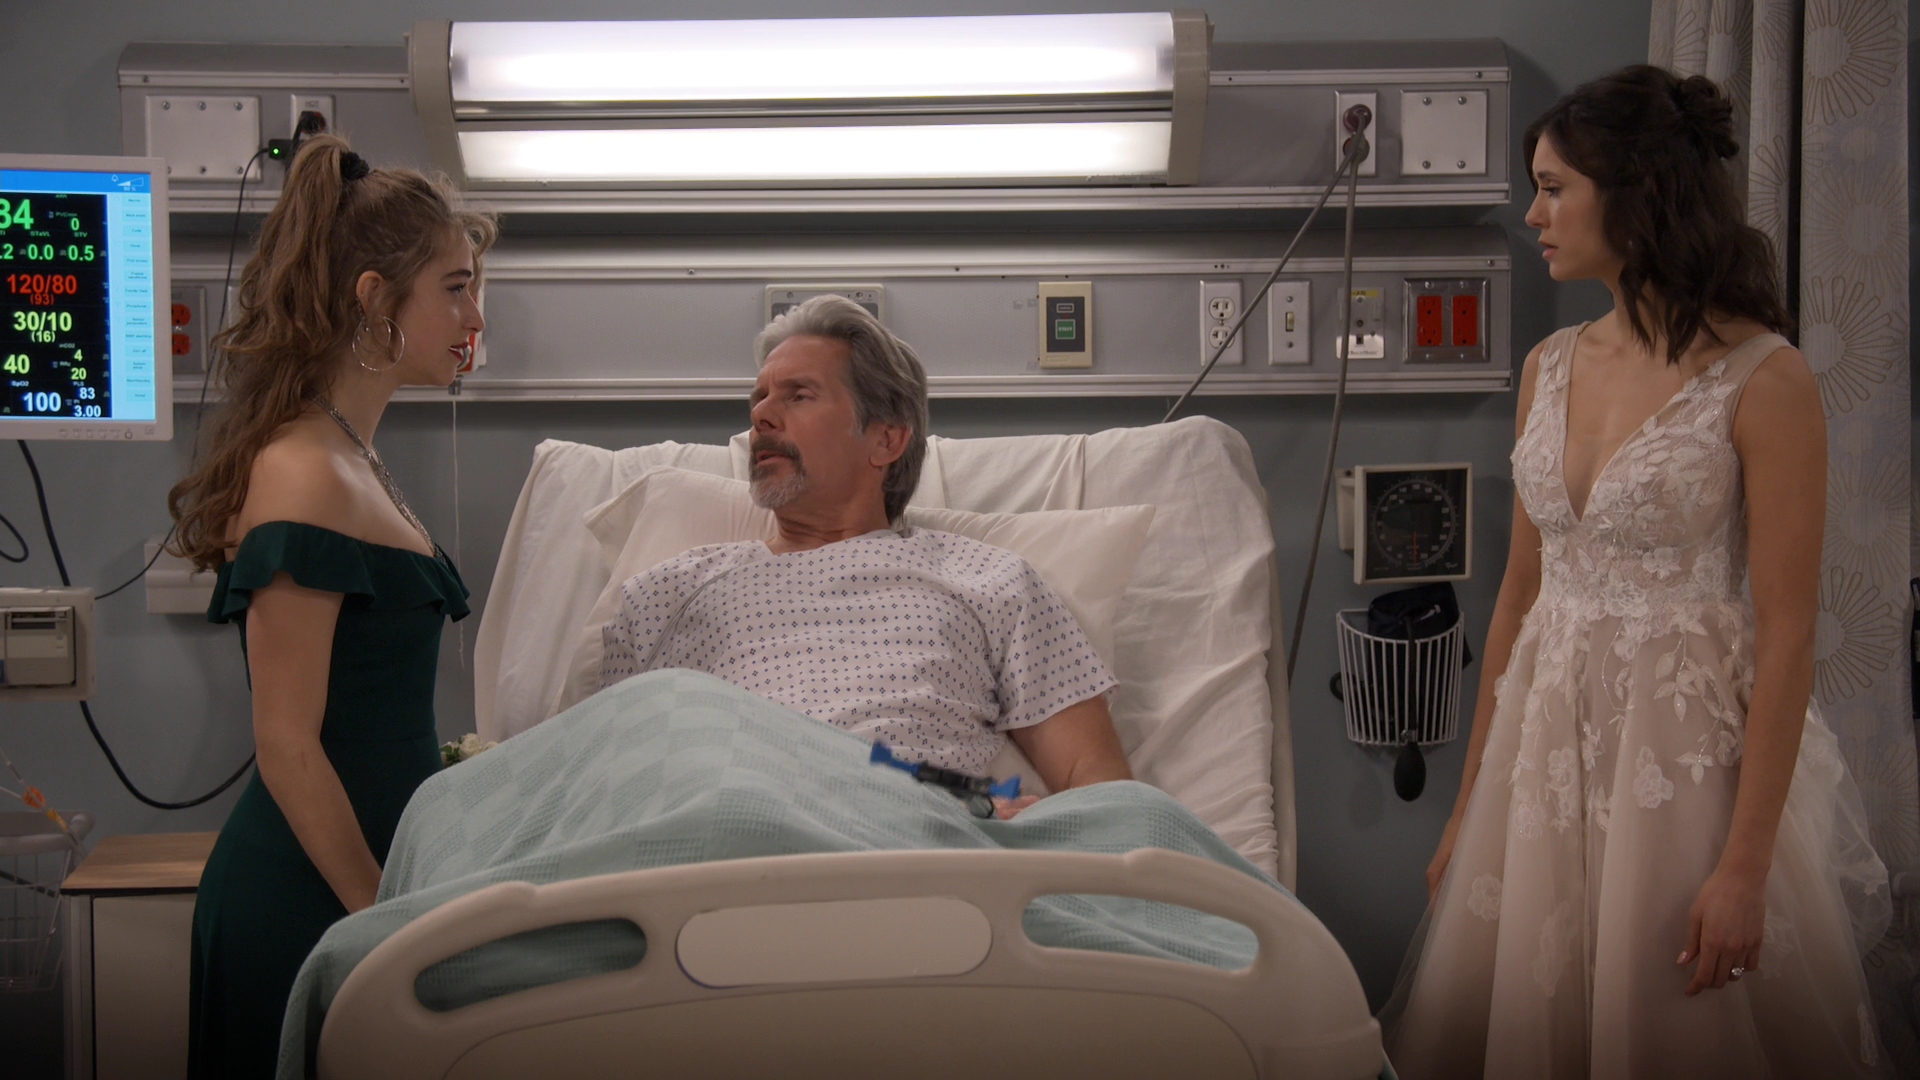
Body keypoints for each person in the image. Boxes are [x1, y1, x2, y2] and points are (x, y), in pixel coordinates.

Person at [1380, 66, 1890, 1078]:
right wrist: (1467, 811)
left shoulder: (1765, 378)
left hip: (1684, 772)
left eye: (1553, 188)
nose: (1533, 215)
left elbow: (1790, 633)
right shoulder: (1549, 366)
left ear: (1638, 193)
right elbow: (1519, 599)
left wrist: (1745, 867)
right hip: (1541, 763)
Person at [166, 135, 493, 1076]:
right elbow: (288, 744)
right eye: (456, 288)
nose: (474, 316)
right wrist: (381, 924)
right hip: (308, 904)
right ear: (374, 298)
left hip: (361, 892)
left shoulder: (353, 458)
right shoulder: (304, 472)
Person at [600, 295, 1132, 813]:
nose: (761, 414)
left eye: (798, 395)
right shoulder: (666, 595)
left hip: (922, 838)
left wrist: (1017, 824)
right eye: (758, 398)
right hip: (731, 829)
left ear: (886, 440)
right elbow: (600, 778)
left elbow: (1097, 785)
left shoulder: (990, 580)